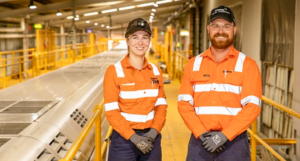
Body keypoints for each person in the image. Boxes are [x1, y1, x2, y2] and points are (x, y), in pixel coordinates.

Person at [178, 5, 262, 161]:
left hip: (234, 144)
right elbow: (183, 103)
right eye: (216, 26)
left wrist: (224, 136)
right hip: (199, 142)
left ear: (234, 30)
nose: (221, 30)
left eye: (226, 26)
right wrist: (201, 132)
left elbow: (253, 106)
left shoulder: (247, 65)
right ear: (208, 29)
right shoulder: (193, 64)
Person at [103, 18, 167, 161]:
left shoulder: (156, 71)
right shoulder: (114, 71)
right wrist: (134, 138)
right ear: (127, 41)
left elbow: (161, 106)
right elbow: (112, 111)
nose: (140, 42)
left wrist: (153, 133)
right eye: (135, 37)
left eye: (145, 38)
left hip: (152, 138)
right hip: (124, 141)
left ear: (149, 41)